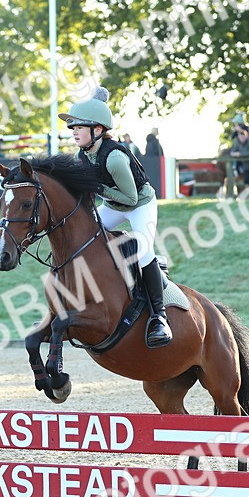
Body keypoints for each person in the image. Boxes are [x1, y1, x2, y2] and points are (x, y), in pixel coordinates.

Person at [58, 86, 172, 348]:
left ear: (97, 130)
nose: (73, 131)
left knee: (143, 252)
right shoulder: (82, 156)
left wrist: (97, 188)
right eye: (72, 127)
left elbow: (130, 199)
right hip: (113, 204)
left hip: (140, 204)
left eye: (79, 126)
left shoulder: (115, 157)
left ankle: (159, 317)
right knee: (85, 238)